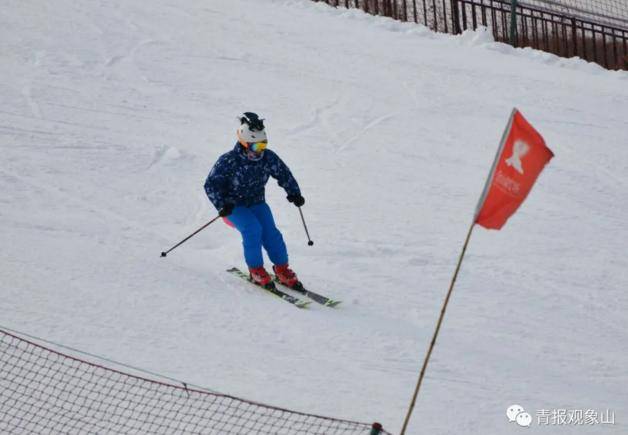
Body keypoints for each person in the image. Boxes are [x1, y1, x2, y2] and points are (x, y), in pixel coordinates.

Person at [204, 112, 305, 288]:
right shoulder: (229, 160)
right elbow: (211, 184)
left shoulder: (267, 157)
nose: (259, 150)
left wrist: (293, 192)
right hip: (233, 206)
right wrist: (222, 204)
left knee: (271, 233)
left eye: (263, 144)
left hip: (257, 202)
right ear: (244, 142)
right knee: (252, 229)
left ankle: (282, 268)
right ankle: (256, 269)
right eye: (255, 146)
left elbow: (283, 173)